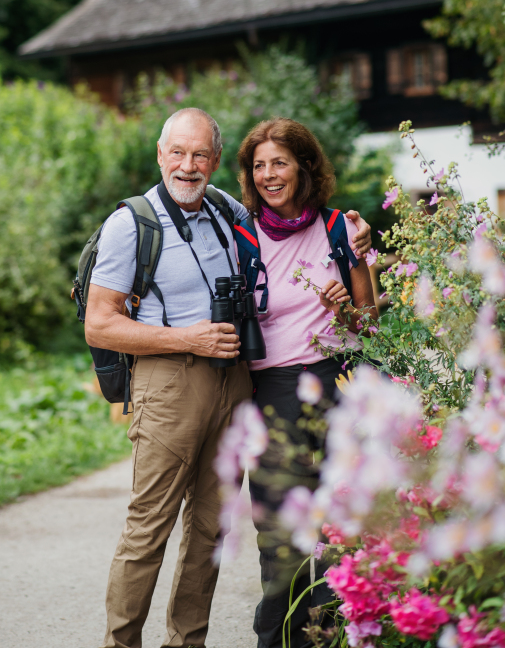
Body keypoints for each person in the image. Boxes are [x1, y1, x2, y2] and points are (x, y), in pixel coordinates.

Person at [85, 107, 372, 648]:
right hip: (169, 383)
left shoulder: (226, 212)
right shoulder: (131, 223)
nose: (188, 166)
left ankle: (186, 642)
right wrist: (186, 338)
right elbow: (99, 325)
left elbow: (292, 216)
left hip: (235, 385)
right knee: (150, 527)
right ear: (159, 155)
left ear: (215, 161)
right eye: (177, 153)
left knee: (210, 529)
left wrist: (359, 240)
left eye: (199, 155)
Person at [236, 117, 378, 648]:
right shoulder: (241, 234)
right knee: (278, 535)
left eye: (281, 162)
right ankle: (275, 639)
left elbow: (370, 326)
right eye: (260, 165)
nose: (270, 175)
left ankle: (333, 637)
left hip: (337, 381)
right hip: (272, 389)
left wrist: (345, 310)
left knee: (340, 527)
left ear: (305, 167)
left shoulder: (342, 228)